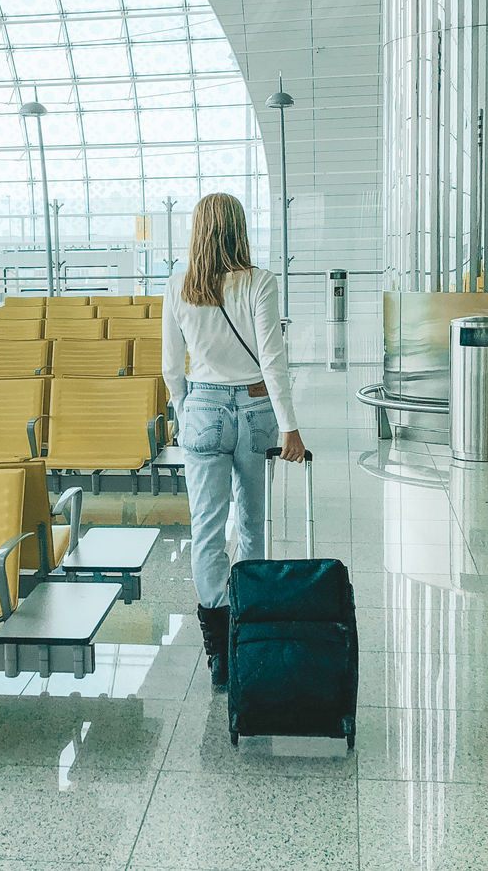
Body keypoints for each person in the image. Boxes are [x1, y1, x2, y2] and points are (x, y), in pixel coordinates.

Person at [162, 192, 305, 688]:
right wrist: (290, 426)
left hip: (202, 406)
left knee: (206, 528)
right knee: (251, 522)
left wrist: (186, 415)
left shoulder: (178, 285)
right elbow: (273, 358)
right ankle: (251, 633)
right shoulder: (260, 282)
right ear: (239, 228)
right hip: (257, 406)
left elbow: (170, 366)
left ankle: (218, 651)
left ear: (198, 229)